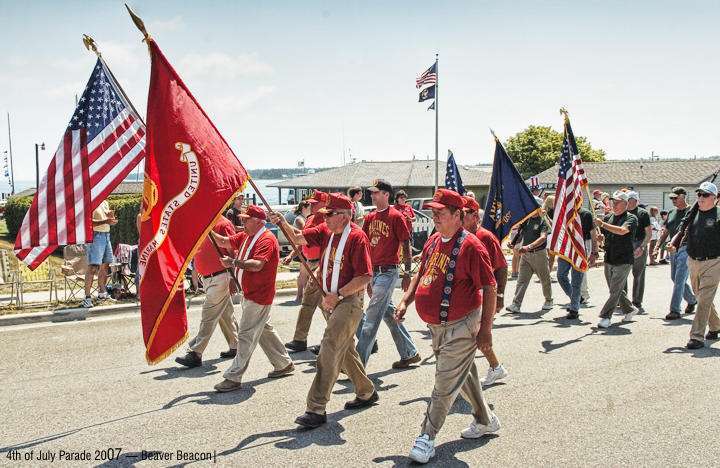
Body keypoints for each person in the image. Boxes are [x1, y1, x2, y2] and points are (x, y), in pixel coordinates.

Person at [393, 189, 499, 464]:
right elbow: (421, 274)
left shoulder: (472, 246)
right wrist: (405, 300)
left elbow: (490, 286)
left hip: (463, 324)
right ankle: (485, 420)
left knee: (443, 383)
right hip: (437, 327)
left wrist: (485, 329)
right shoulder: (432, 242)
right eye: (433, 211)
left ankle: (426, 437)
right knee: (462, 376)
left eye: (440, 212)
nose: (434, 216)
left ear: (458, 216)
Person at [270, 193, 377, 429]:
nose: (325, 218)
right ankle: (366, 391)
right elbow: (297, 238)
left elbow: (365, 276)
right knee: (344, 351)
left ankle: (316, 408)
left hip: (347, 302)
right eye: (324, 214)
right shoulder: (327, 232)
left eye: (330, 215)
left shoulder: (357, 239)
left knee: (329, 349)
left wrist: (337, 295)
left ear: (345, 216)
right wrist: (281, 222)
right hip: (332, 299)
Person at [212, 205, 294, 391]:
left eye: (246, 219)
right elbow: (224, 242)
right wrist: (208, 230)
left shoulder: (266, 239)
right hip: (250, 293)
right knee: (264, 328)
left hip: (259, 295)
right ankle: (283, 363)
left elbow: (257, 265)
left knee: (246, 335)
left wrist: (232, 262)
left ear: (258, 221)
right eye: (243, 218)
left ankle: (234, 376)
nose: (242, 222)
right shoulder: (246, 236)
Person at [356, 179, 420, 369]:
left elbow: (406, 246)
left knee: (371, 317)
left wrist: (407, 273)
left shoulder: (396, 216)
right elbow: (365, 246)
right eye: (372, 193)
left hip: (388, 272)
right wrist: (366, 275)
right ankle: (409, 352)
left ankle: (358, 363)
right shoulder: (369, 218)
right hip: (374, 273)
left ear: (386, 194)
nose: (373, 196)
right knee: (388, 313)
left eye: (377, 193)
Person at [175, 216, 240, 367]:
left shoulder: (223, 224)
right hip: (209, 278)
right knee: (225, 314)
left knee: (208, 315)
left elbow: (233, 252)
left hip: (221, 276)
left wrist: (232, 278)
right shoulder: (202, 222)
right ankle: (236, 344)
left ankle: (195, 352)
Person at [462, 195, 508, 386]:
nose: (460, 217)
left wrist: (500, 296)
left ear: (475, 216)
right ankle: (496, 368)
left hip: (484, 294)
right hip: (467, 295)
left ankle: (462, 380)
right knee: (473, 336)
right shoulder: (460, 237)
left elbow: (502, 266)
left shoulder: (485, 237)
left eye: (464, 214)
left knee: (471, 337)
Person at [668, 182, 720, 349]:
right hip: (693, 260)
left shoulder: (718, 214)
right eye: (699, 195)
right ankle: (716, 326)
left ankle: (696, 336)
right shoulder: (693, 213)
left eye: (705, 195)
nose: (701, 198)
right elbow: (681, 230)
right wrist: (673, 243)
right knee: (701, 297)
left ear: (714, 198)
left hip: (714, 261)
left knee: (704, 298)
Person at [284, 191, 329, 352]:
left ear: (325, 203)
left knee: (319, 304)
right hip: (311, 263)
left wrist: (282, 222)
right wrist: (291, 255)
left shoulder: (324, 219)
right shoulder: (311, 218)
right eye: (311, 202)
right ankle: (301, 339)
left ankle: (304, 339)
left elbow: (301, 237)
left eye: (315, 203)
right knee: (315, 304)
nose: (312, 205)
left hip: (320, 264)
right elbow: (303, 240)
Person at [594, 191, 639, 328]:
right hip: (610, 257)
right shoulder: (609, 218)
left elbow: (622, 230)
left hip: (624, 259)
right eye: (614, 202)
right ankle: (630, 309)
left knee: (614, 290)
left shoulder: (631, 218)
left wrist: (602, 225)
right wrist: (601, 238)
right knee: (616, 289)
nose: (615, 205)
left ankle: (606, 316)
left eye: (618, 203)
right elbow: (605, 236)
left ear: (625, 204)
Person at [653, 187, 697, 320]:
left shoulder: (693, 211)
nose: (673, 200)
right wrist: (657, 247)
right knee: (675, 278)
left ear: (683, 196)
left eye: (675, 198)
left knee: (679, 279)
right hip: (672, 248)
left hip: (686, 247)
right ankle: (692, 299)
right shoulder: (671, 212)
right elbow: (665, 231)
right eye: (671, 198)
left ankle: (675, 310)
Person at [505, 211, 553, 313]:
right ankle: (516, 304)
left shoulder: (542, 221)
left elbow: (543, 237)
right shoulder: (526, 220)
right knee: (522, 280)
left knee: (544, 279)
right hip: (526, 255)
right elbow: (520, 235)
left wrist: (529, 246)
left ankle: (548, 300)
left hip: (539, 254)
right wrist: (513, 244)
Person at [556, 206, 598, 320]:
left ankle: (574, 308)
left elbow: (593, 234)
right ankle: (575, 298)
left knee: (577, 279)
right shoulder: (563, 211)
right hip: (565, 247)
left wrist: (594, 252)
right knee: (560, 275)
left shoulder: (586, 214)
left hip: (579, 247)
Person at [82, 199, 118, 308]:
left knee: (105, 266)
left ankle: (102, 294)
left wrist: (110, 218)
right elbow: (88, 221)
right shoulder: (90, 201)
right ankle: (87, 297)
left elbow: (107, 220)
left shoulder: (104, 201)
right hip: (95, 235)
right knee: (92, 267)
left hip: (106, 235)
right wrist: (106, 221)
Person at [624, 191, 652, 311]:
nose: (627, 202)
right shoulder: (622, 213)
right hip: (625, 244)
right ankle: (622, 300)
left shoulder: (642, 213)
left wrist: (642, 246)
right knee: (622, 273)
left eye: (629, 199)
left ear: (635, 201)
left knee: (638, 274)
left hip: (638, 242)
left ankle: (637, 301)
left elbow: (649, 233)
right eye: (626, 200)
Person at [283, 200, 312, 302]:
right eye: (309, 207)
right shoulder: (300, 219)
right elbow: (305, 232)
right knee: (303, 274)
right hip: (301, 248)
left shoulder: (304, 218)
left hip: (302, 248)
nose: (311, 209)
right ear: (304, 208)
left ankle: (302, 295)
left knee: (304, 274)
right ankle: (300, 295)